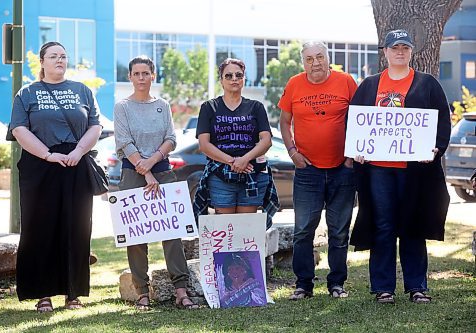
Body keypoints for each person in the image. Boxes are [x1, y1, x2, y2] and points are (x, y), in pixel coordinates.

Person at [350, 30, 451, 304]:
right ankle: (383, 288)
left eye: (405, 47)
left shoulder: (427, 84)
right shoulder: (370, 85)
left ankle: (416, 287)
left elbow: (442, 120)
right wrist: (357, 149)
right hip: (378, 169)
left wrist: (436, 148)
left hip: (414, 168)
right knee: (383, 225)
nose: (400, 52)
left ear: (411, 52)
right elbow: (355, 124)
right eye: (395, 47)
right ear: (385, 52)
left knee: (412, 224)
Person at [9, 41, 102, 312]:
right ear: (42, 62)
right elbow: (19, 129)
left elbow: (95, 125)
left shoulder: (82, 90)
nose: (60, 60)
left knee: (77, 228)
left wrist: (79, 150)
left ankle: (73, 294)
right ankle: (43, 294)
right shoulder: (26, 93)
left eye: (63, 56)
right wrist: (48, 155)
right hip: (40, 166)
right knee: (40, 229)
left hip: (76, 165)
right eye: (53, 56)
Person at [114, 55, 198, 310]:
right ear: (130, 77)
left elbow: (171, 138)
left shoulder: (162, 105)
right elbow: (124, 142)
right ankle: (142, 293)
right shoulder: (122, 107)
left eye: (145, 73)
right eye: (136, 73)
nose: (141, 78)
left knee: (172, 232)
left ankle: (181, 291)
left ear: (153, 75)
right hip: (132, 173)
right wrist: (145, 171)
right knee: (136, 235)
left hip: (162, 172)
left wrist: (152, 164)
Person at [278, 41, 357, 300]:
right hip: (307, 170)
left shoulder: (346, 82)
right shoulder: (294, 84)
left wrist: (350, 157)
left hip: (342, 170)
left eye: (320, 57)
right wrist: (292, 152)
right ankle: (303, 284)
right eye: (310, 59)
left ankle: (336, 283)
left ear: (328, 58)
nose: (315, 63)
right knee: (303, 230)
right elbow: (285, 120)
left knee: (339, 231)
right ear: (304, 62)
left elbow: (360, 118)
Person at [193, 58, 279, 227]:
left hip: (252, 174)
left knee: (246, 230)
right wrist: (233, 161)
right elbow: (204, 145)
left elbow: (266, 140)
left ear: (243, 79)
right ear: (221, 80)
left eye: (238, 75)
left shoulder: (256, 107)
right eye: (229, 75)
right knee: (226, 231)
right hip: (220, 176)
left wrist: (244, 159)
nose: (234, 79)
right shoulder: (209, 107)